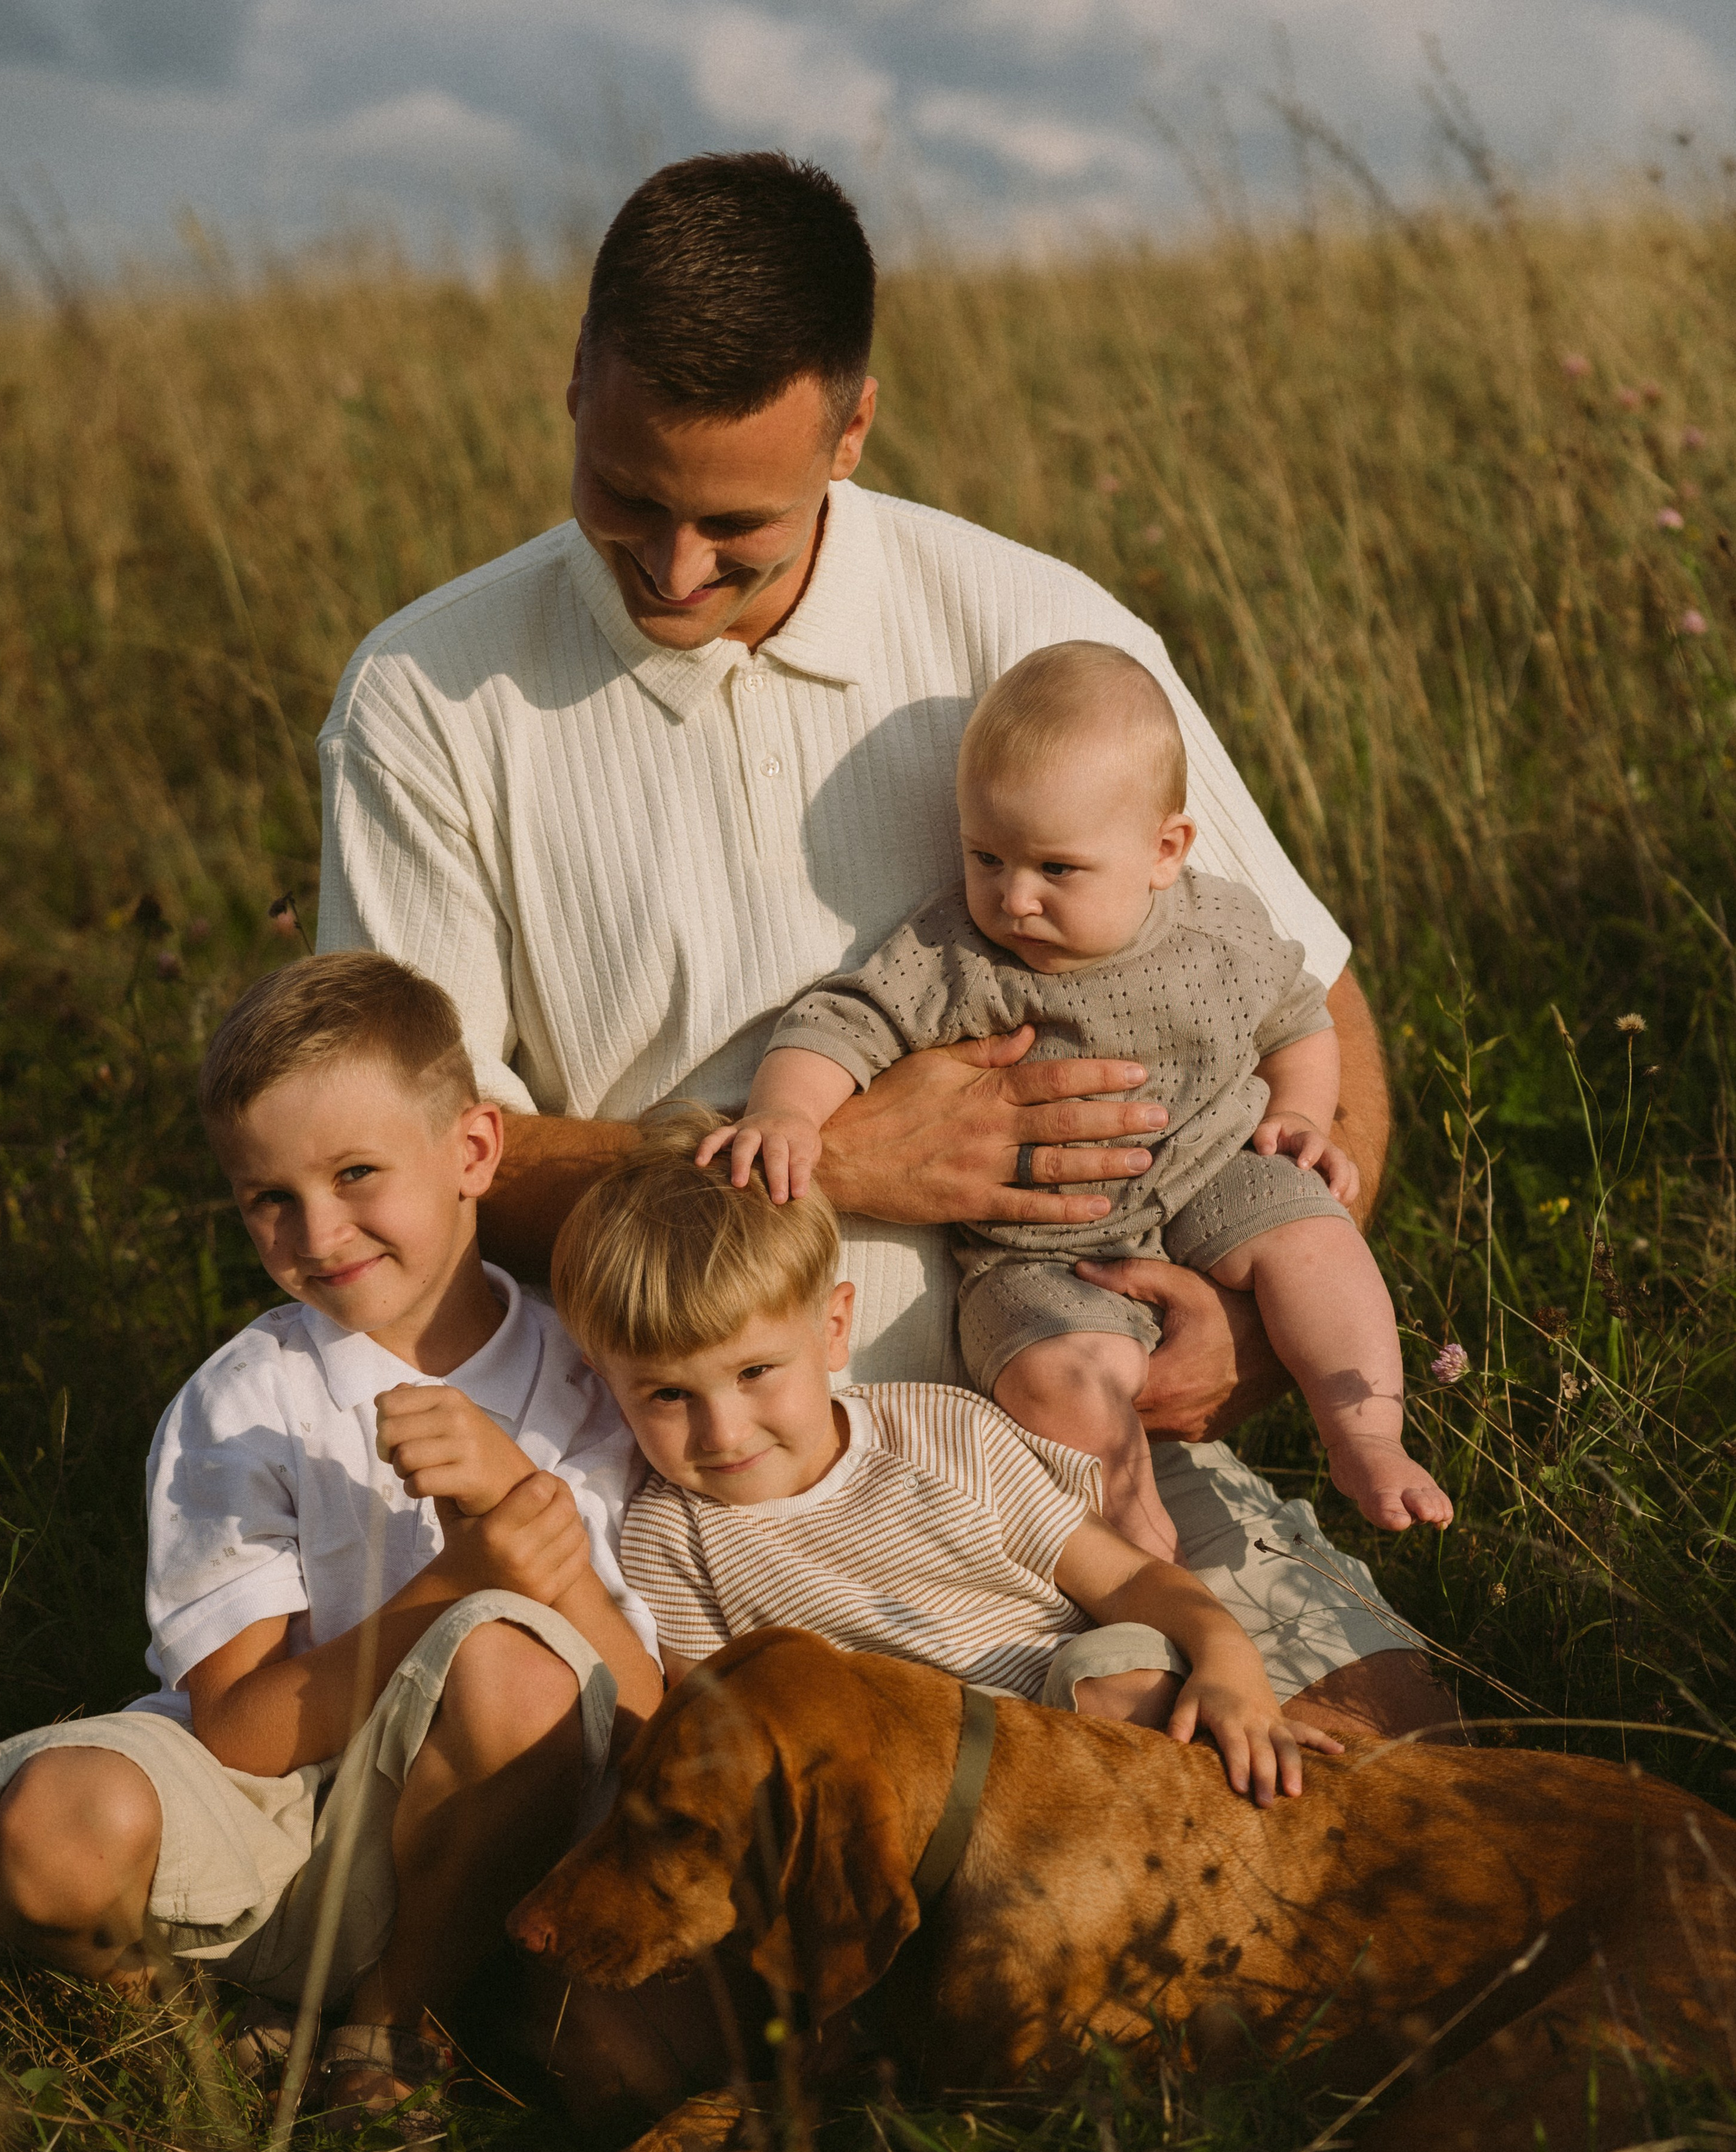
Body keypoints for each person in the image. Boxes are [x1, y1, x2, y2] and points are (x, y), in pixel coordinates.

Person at [315, 150, 1453, 1746]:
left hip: (1069, 1446)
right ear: (575, 384)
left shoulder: (1028, 624)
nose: (673, 568)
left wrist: (1252, 1329)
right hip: (685, 1490)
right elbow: (409, 1180)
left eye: (736, 524)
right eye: (627, 496)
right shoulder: (427, 695)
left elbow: (1304, 990)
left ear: (851, 432)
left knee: (1391, 1771)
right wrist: (831, 1160)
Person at [0, 953, 663, 2122]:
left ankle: (389, 2017)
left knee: (514, 1664)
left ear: (474, 1150)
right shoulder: (245, 1400)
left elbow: (644, 1714)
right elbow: (237, 1733)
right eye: (270, 1198)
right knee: (51, 1833)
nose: (319, 1230)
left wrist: (521, 1531)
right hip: (270, 1818)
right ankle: (181, 2011)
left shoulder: (595, 1379)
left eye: (355, 1173)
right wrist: (455, 1578)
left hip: (498, 1833)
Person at [704, 641, 1453, 1565]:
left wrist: (1300, 1114)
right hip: (1039, 1251)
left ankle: (1365, 1431)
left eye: (1056, 869)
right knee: (1059, 1374)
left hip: (1215, 1169)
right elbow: (842, 1022)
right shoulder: (955, 953)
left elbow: (1299, 1016)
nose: (1014, 898)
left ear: (1164, 852)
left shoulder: (1219, 930)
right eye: (986, 856)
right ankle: (1136, 1536)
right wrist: (786, 1110)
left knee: (1316, 1240)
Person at [546, 1113, 1344, 1807]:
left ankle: (1208, 1828)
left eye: (755, 1372)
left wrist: (1228, 1661)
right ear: (607, 1381)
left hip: (1077, 1717)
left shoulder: (941, 1432)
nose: (721, 1432)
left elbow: (1129, 1580)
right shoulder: (670, 1538)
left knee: (1118, 1677)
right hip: (918, 1795)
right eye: (667, 1395)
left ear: (832, 1328)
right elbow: (713, 1722)